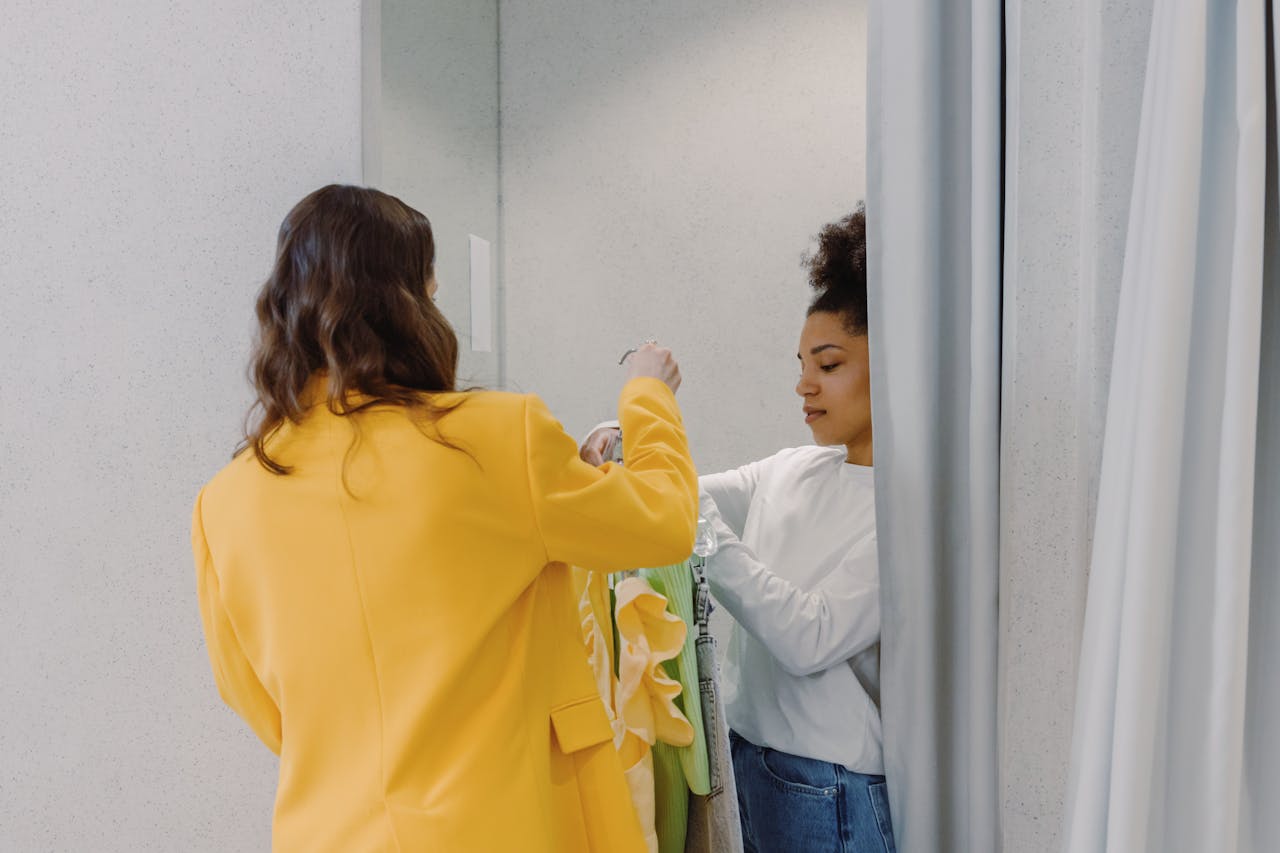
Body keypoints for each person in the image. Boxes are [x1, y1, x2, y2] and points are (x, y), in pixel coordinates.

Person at [191, 184, 697, 852]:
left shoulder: (225, 501)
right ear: (408, 306)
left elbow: (256, 699)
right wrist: (647, 394)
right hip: (506, 825)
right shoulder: (493, 438)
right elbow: (663, 521)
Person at [582, 204, 895, 852]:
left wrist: (692, 525)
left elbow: (808, 635)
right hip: (751, 762)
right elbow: (674, 493)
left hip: (833, 791)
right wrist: (617, 446)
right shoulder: (796, 467)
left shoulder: (905, 511)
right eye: (802, 362)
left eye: (829, 364)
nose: (804, 384)